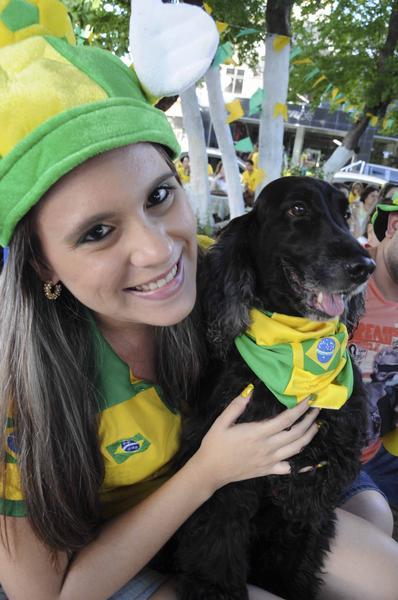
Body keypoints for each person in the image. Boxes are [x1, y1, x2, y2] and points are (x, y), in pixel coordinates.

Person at [1, 8, 398, 600]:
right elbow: (46, 594)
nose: (158, 252)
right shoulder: (17, 384)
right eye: (96, 232)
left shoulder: (229, 269)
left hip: (252, 486)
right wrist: (205, 473)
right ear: (41, 265)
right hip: (116, 555)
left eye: (159, 196)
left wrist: (348, 488)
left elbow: (315, 378)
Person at [347, 197, 398, 531]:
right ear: (394, 226)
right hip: (322, 455)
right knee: (375, 519)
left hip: (382, 451)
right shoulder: (343, 275)